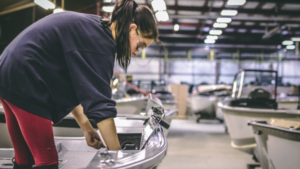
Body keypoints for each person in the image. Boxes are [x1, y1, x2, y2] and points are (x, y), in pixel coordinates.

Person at [0, 0, 159, 168]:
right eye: (139, 45)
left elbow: (75, 86)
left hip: (8, 73)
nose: (135, 52)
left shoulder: (95, 29)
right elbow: (102, 108)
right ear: (132, 28)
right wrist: (120, 159)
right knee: (47, 161)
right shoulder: (99, 45)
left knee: (25, 158)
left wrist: (86, 127)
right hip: (25, 79)